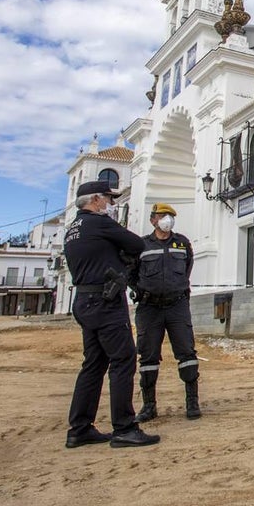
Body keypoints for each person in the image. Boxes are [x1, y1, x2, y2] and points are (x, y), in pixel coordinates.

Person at [64, 180, 160, 449]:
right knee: (123, 360)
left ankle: (79, 428)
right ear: (96, 200)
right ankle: (124, 428)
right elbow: (136, 244)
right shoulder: (100, 223)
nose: (111, 204)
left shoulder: (73, 229)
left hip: (84, 300)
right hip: (105, 302)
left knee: (93, 364)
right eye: (109, 199)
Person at [130, 203, 201, 422]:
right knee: (148, 356)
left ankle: (192, 402)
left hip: (177, 305)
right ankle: (149, 405)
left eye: (170, 216)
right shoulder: (141, 245)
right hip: (149, 307)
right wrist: (141, 290)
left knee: (187, 353)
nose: (167, 220)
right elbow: (131, 273)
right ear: (153, 220)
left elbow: (188, 267)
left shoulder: (182, 243)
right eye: (162, 216)